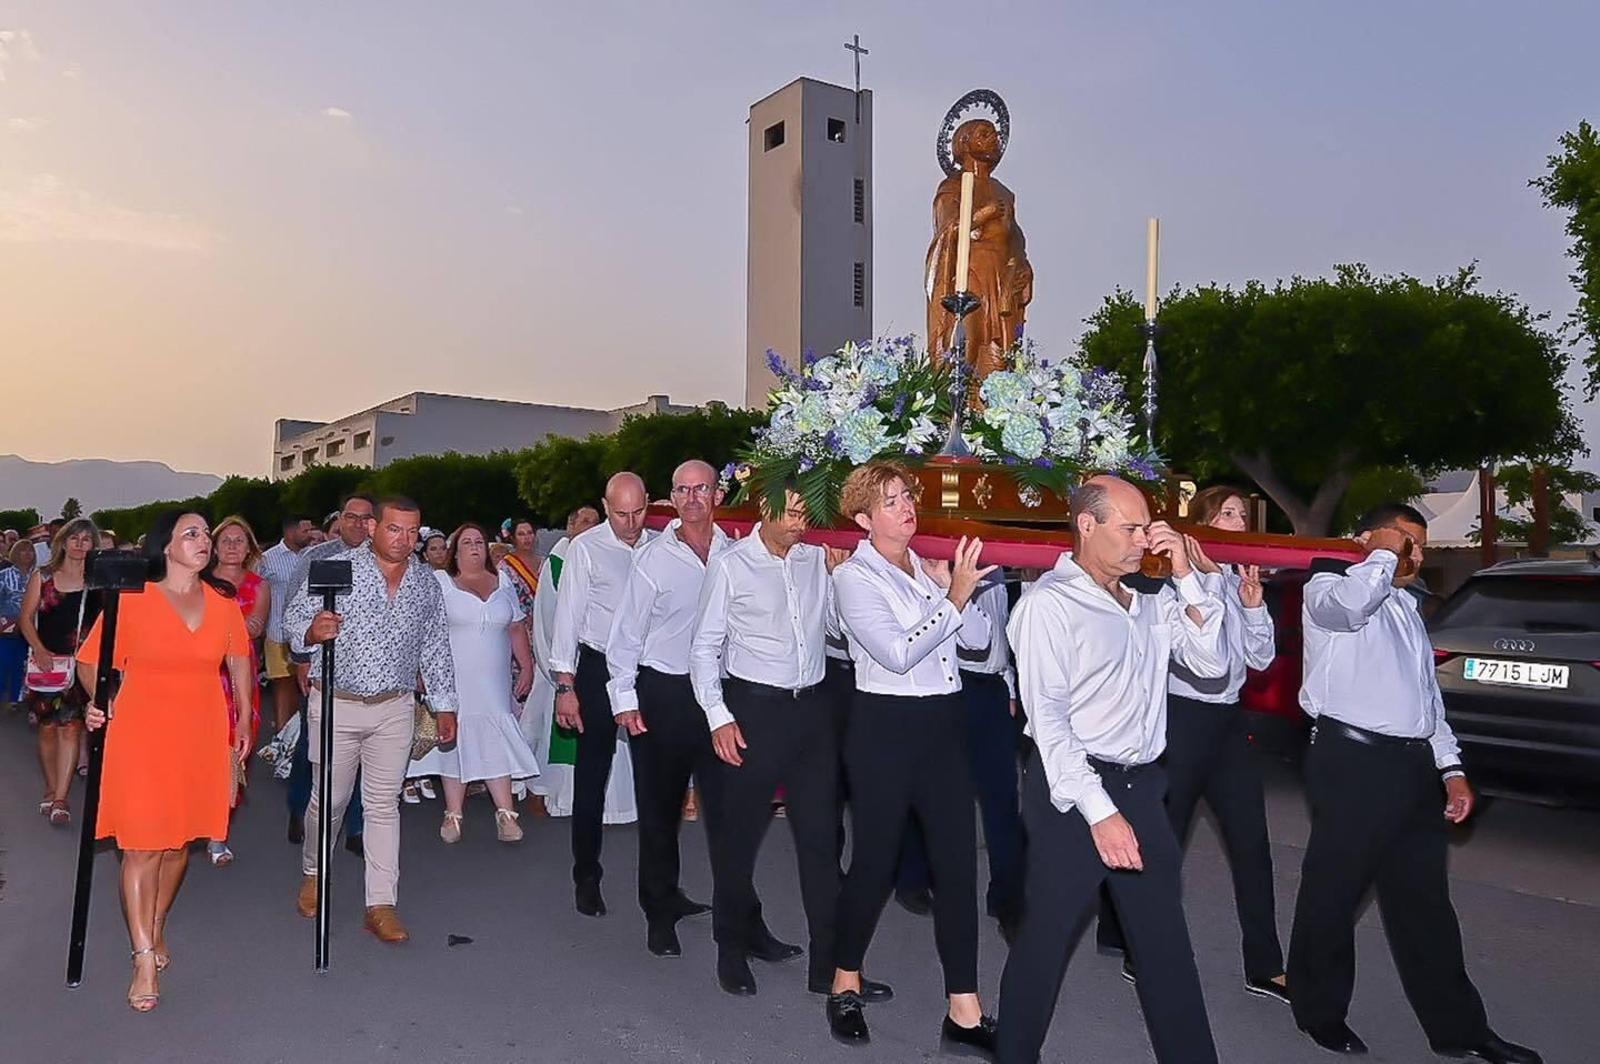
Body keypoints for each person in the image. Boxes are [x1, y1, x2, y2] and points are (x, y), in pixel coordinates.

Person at [1287, 504, 1541, 1063]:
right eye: (1407, 543)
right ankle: (1319, 1011)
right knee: (1333, 894)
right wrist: (1381, 550)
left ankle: (1460, 1031)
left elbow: (1428, 701)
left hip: (1410, 767)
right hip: (1350, 761)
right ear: (1370, 539)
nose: (1415, 556)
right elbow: (1352, 608)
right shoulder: (1328, 587)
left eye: (1419, 547)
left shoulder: (1405, 605)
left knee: (1426, 905)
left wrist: (1450, 769)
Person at [997, 476, 1226, 1064]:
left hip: (1144, 788)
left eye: (1146, 528)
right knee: (1042, 947)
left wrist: (1188, 578)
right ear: (1087, 525)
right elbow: (1049, 724)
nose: (1141, 540)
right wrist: (1101, 814)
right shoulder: (1049, 605)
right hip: (1074, 795)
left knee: (1166, 948)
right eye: (1129, 528)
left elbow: (1212, 663)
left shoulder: (1151, 597)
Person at [826, 462, 997, 1053]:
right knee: (874, 864)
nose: (906, 507)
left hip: (944, 725)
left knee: (957, 868)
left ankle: (965, 1011)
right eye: (891, 501)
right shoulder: (854, 578)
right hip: (886, 729)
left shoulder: (924, 570)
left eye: (906, 497)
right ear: (864, 518)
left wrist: (950, 589)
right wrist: (950, 598)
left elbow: (976, 644)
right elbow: (897, 654)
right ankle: (844, 980)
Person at [1096, 485, 1288, 1001]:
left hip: (1229, 725)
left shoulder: (1238, 579)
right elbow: (1190, 659)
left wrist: (1252, 608)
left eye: (1244, 515)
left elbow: (1261, 661)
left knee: (1252, 844)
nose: (1239, 522)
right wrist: (1191, 580)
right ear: (1201, 522)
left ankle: (1265, 963)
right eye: (1227, 514)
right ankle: (1134, 942)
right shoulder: (1168, 576)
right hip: (1181, 720)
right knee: (1161, 840)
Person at [77, 511, 253, 1011]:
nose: (204, 541)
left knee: (178, 845)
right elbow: (91, 662)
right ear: (166, 546)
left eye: (205, 533)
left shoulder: (223, 605)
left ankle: (155, 926)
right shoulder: (133, 600)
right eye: (191, 534)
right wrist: (101, 699)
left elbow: (240, 659)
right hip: (139, 732)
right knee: (141, 845)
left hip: (200, 732)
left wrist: (242, 721)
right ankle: (143, 956)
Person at [689, 486, 850, 998]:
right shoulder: (732, 565)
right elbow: (703, 647)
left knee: (823, 843)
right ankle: (731, 949)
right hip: (753, 710)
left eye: (808, 511)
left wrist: (838, 579)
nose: (803, 521)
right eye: (794, 511)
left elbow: (834, 632)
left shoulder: (812, 561)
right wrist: (718, 716)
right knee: (738, 842)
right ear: (765, 508)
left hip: (812, 711)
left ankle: (831, 968)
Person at [285, 495, 458, 945]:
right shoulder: (336, 569)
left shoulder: (426, 581)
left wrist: (445, 704)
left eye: (412, 531)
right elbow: (294, 621)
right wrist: (311, 632)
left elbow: (436, 645)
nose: (404, 540)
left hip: (395, 706)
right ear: (374, 527)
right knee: (330, 799)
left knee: (383, 806)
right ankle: (313, 872)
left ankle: (380, 904)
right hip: (337, 702)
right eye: (394, 529)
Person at [604, 460, 727, 957]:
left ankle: (744, 919)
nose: (693, 498)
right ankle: (659, 910)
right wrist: (625, 699)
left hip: (719, 697)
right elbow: (625, 635)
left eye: (702, 489)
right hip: (665, 694)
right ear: (670, 499)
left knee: (730, 814)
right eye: (683, 490)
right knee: (659, 812)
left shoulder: (736, 553)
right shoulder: (653, 560)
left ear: (717, 494)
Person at [894, 563, 1024, 941]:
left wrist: (1009, 685)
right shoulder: (938, 562)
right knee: (937, 792)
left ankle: (1007, 900)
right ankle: (913, 875)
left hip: (993, 687)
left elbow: (998, 635)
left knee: (1001, 799)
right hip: (952, 684)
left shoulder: (999, 569)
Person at [550, 472, 655, 916]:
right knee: (592, 777)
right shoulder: (585, 548)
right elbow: (567, 620)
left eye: (638, 512)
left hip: (649, 671)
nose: (630, 523)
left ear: (649, 503)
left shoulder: (663, 544)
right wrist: (565, 686)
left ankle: (661, 887)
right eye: (620, 514)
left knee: (658, 782)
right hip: (597, 668)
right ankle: (586, 877)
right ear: (604, 505)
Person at [529, 505, 636, 822]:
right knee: (571, 737)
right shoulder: (559, 560)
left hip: (607, 661)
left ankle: (616, 807)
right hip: (570, 664)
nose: (591, 526)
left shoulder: (609, 552)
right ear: (570, 525)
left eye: (595, 521)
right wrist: (560, 667)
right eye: (584, 521)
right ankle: (565, 800)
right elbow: (548, 615)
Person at [434, 523, 538, 843]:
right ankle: (453, 814)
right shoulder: (441, 583)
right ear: (456, 550)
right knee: (456, 738)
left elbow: (517, 627)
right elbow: (426, 631)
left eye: (479, 541)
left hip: (494, 680)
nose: (475, 547)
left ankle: (506, 814)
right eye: (467, 542)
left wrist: (527, 666)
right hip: (454, 677)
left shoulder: (503, 580)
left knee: (497, 736)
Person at [285, 495, 376, 848]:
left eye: (366, 518)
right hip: (323, 670)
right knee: (315, 748)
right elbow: (293, 615)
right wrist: (301, 659)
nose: (358, 525)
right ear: (340, 519)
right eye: (351, 517)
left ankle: (355, 827)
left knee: (363, 754)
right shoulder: (316, 558)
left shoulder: (384, 562)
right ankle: (299, 808)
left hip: (366, 675)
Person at [17, 517, 103, 826]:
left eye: (86, 539)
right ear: (63, 542)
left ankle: (61, 796)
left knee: (71, 729)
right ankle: (51, 786)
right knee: (47, 728)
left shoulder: (97, 582)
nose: (80, 544)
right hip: (47, 664)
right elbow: (25, 617)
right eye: (75, 538)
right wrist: (39, 649)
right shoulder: (44, 577)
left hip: (82, 666)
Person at [204, 515, 271, 867]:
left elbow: (255, 629)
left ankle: (218, 833)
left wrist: (215, 625)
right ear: (214, 546)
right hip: (199, 680)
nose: (232, 546)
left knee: (232, 756)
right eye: (225, 540)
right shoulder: (198, 582)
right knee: (196, 753)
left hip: (238, 681)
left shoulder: (259, 586)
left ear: (250, 548)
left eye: (239, 540)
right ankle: (189, 819)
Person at [258, 515, 314, 733]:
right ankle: (282, 742)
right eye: (305, 530)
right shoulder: (267, 560)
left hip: (308, 636)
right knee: (284, 692)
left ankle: (299, 744)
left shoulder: (312, 556)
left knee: (306, 694)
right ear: (290, 532)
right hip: (277, 635)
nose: (310, 535)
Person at [0, 539, 38, 712]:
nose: (27, 553)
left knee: (21, 663)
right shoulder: (4, 574)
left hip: (31, 625)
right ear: (15, 553)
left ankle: (15, 699)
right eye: (23, 550)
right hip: (6, 626)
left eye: (30, 550)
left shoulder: (38, 575)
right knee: (3, 662)